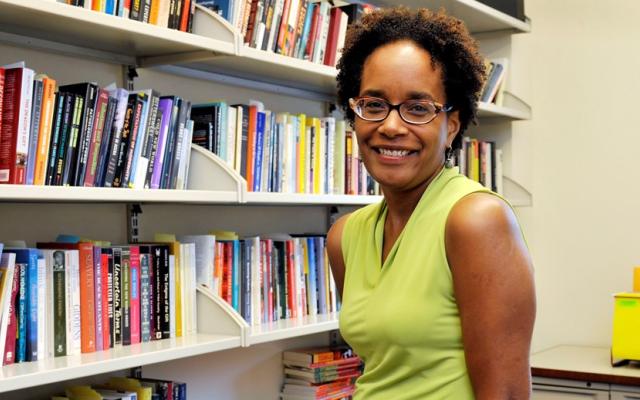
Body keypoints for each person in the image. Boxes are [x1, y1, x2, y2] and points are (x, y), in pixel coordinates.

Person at [326, 7, 536, 400]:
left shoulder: (476, 220)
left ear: (451, 125)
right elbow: (382, 366)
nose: (391, 125)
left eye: (418, 108)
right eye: (374, 105)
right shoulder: (344, 236)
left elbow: (505, 394)